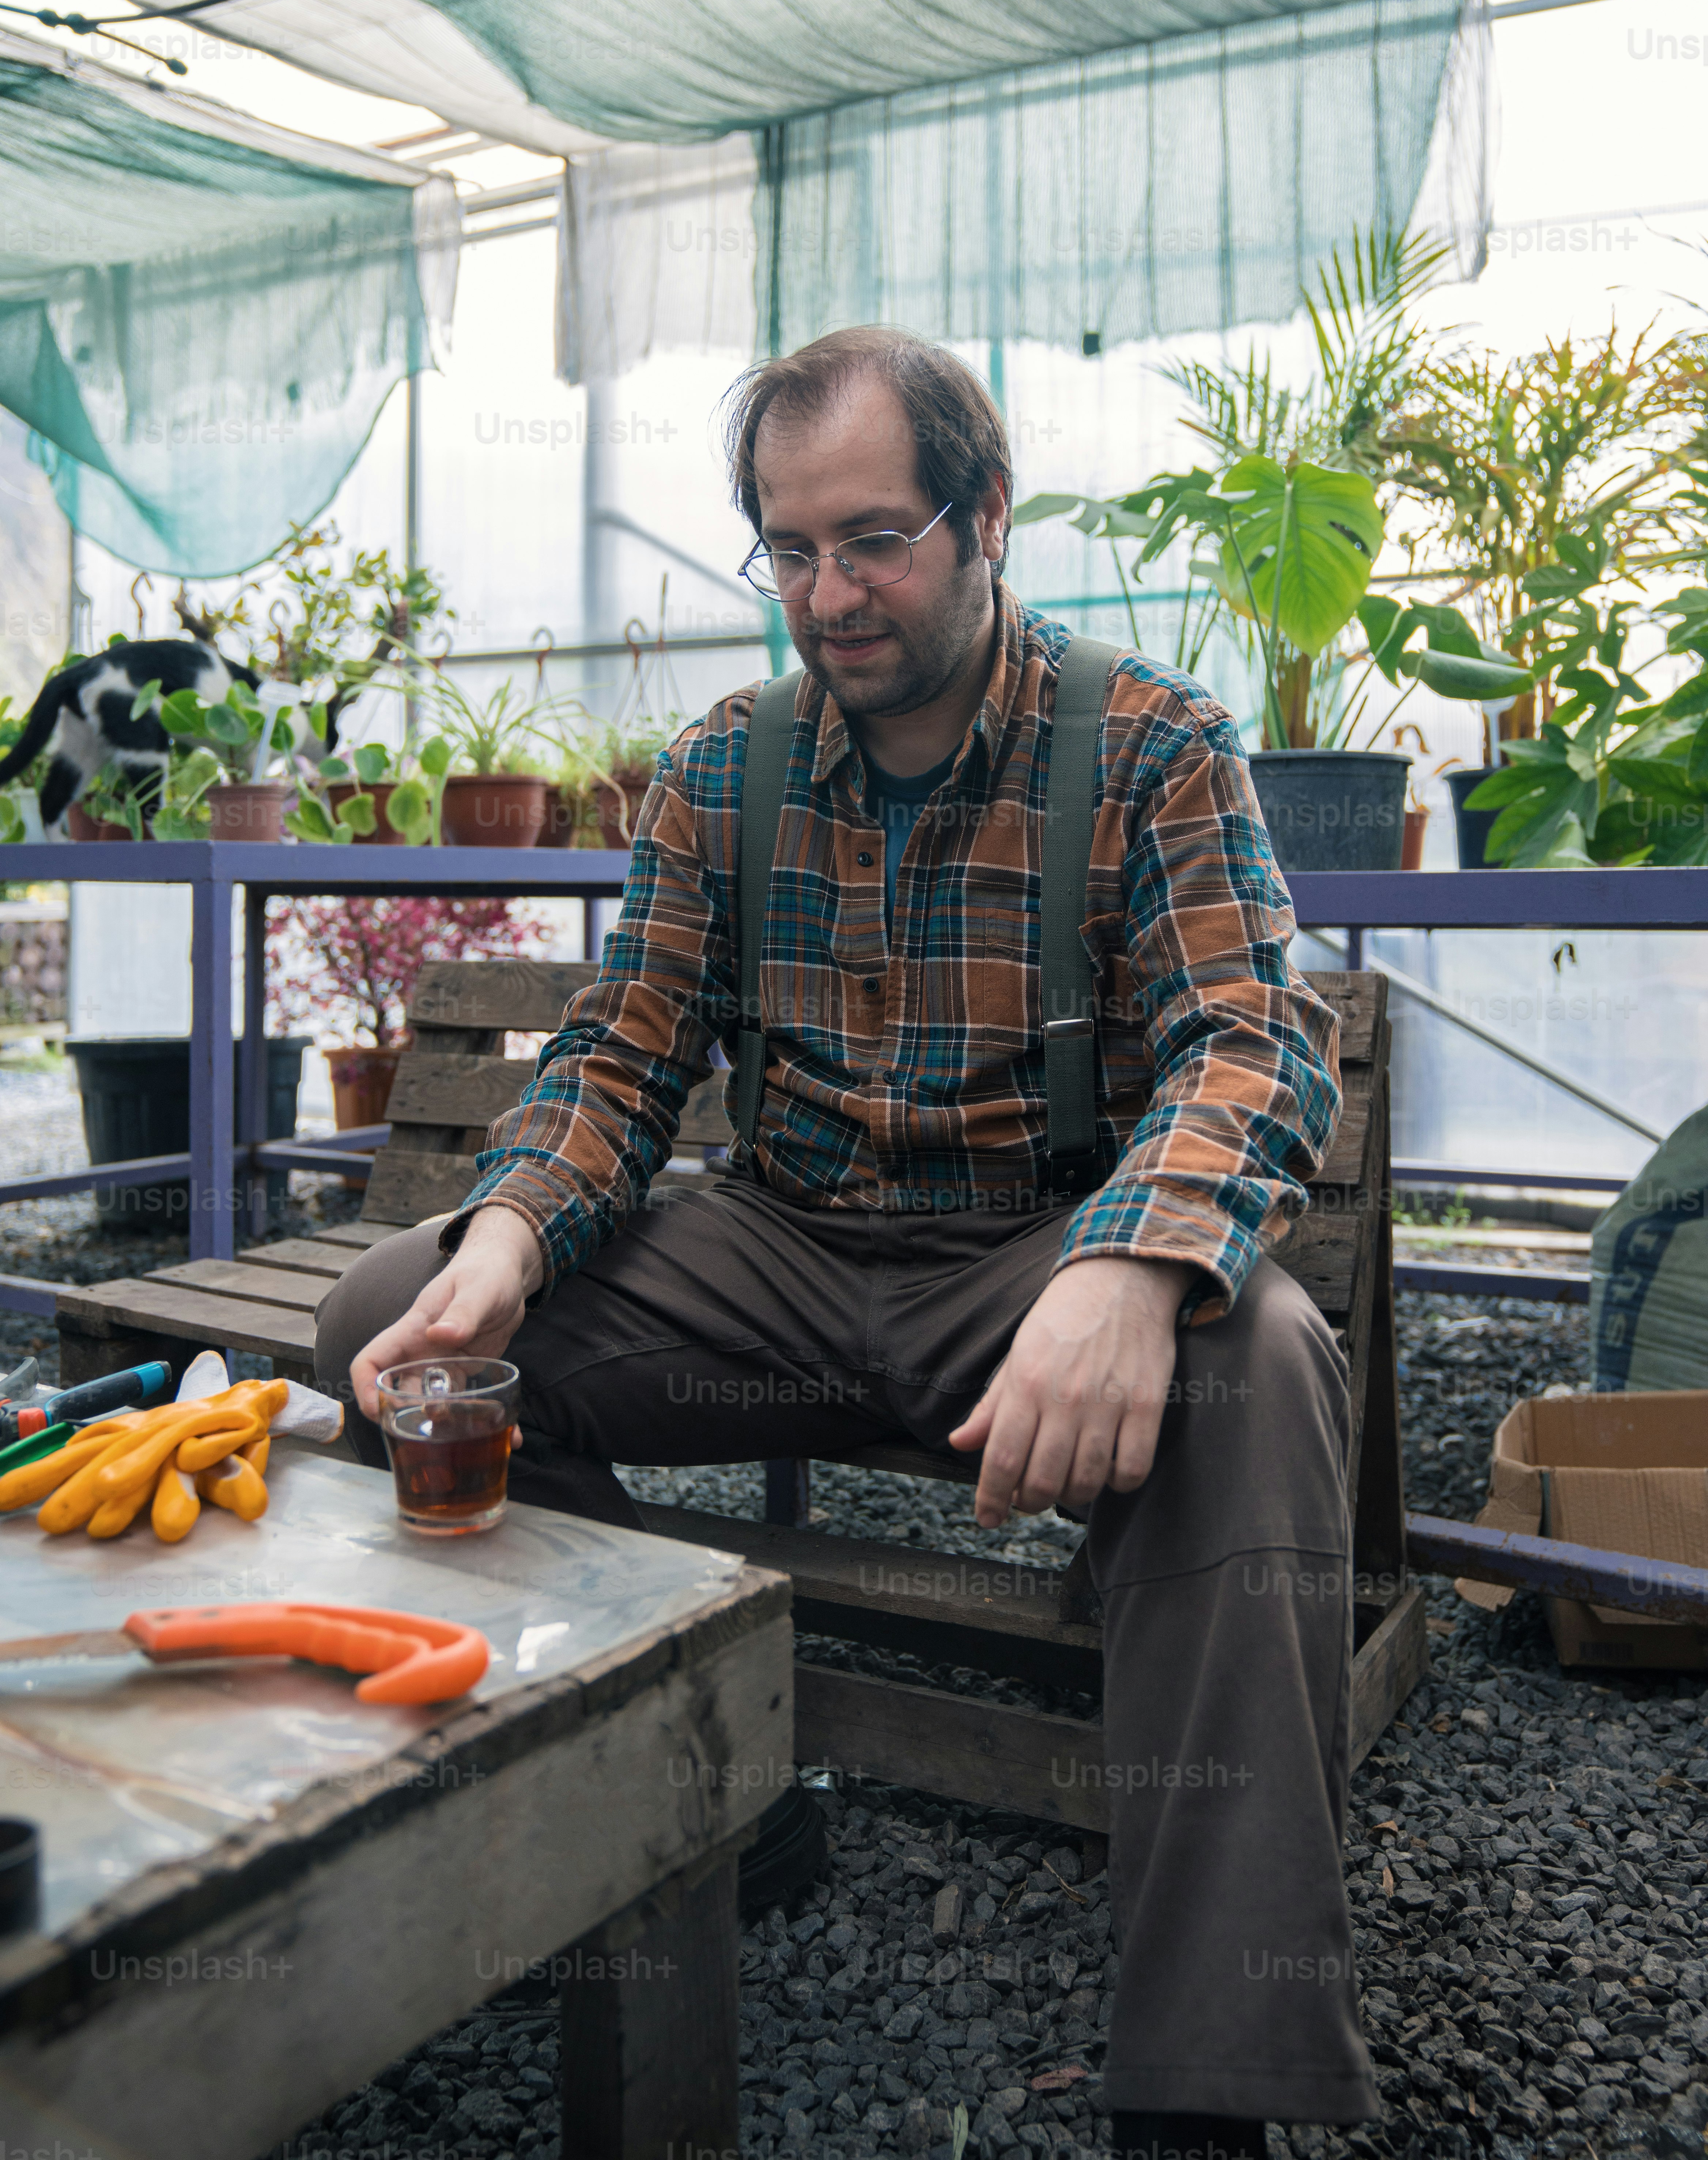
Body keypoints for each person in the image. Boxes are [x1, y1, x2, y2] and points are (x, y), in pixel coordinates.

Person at [316, 326, 1378, 2160]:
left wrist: (1127, 1269)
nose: (831, 594)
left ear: (986, 519)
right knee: (401, 1318)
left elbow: (1250, 1039)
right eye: (789, 549)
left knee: (1259, 1362)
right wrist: (502, 1233)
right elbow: (627, 1046)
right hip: (786, 1259)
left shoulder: (1150, 746)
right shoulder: (720, 772)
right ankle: (699, 1791)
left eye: (874, 540)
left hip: (1031, 1267)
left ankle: (1210, 2078)